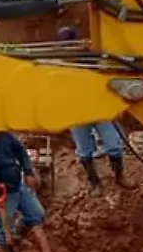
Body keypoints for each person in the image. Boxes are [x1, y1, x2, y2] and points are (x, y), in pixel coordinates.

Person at [54, 26, 129, 192]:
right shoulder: (56, 66)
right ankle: (95, 183)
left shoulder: (90, 58)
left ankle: (120, 176)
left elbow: (106, 75)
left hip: (98, 108)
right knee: (84, 151)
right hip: (76, 113)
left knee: (113, 145)